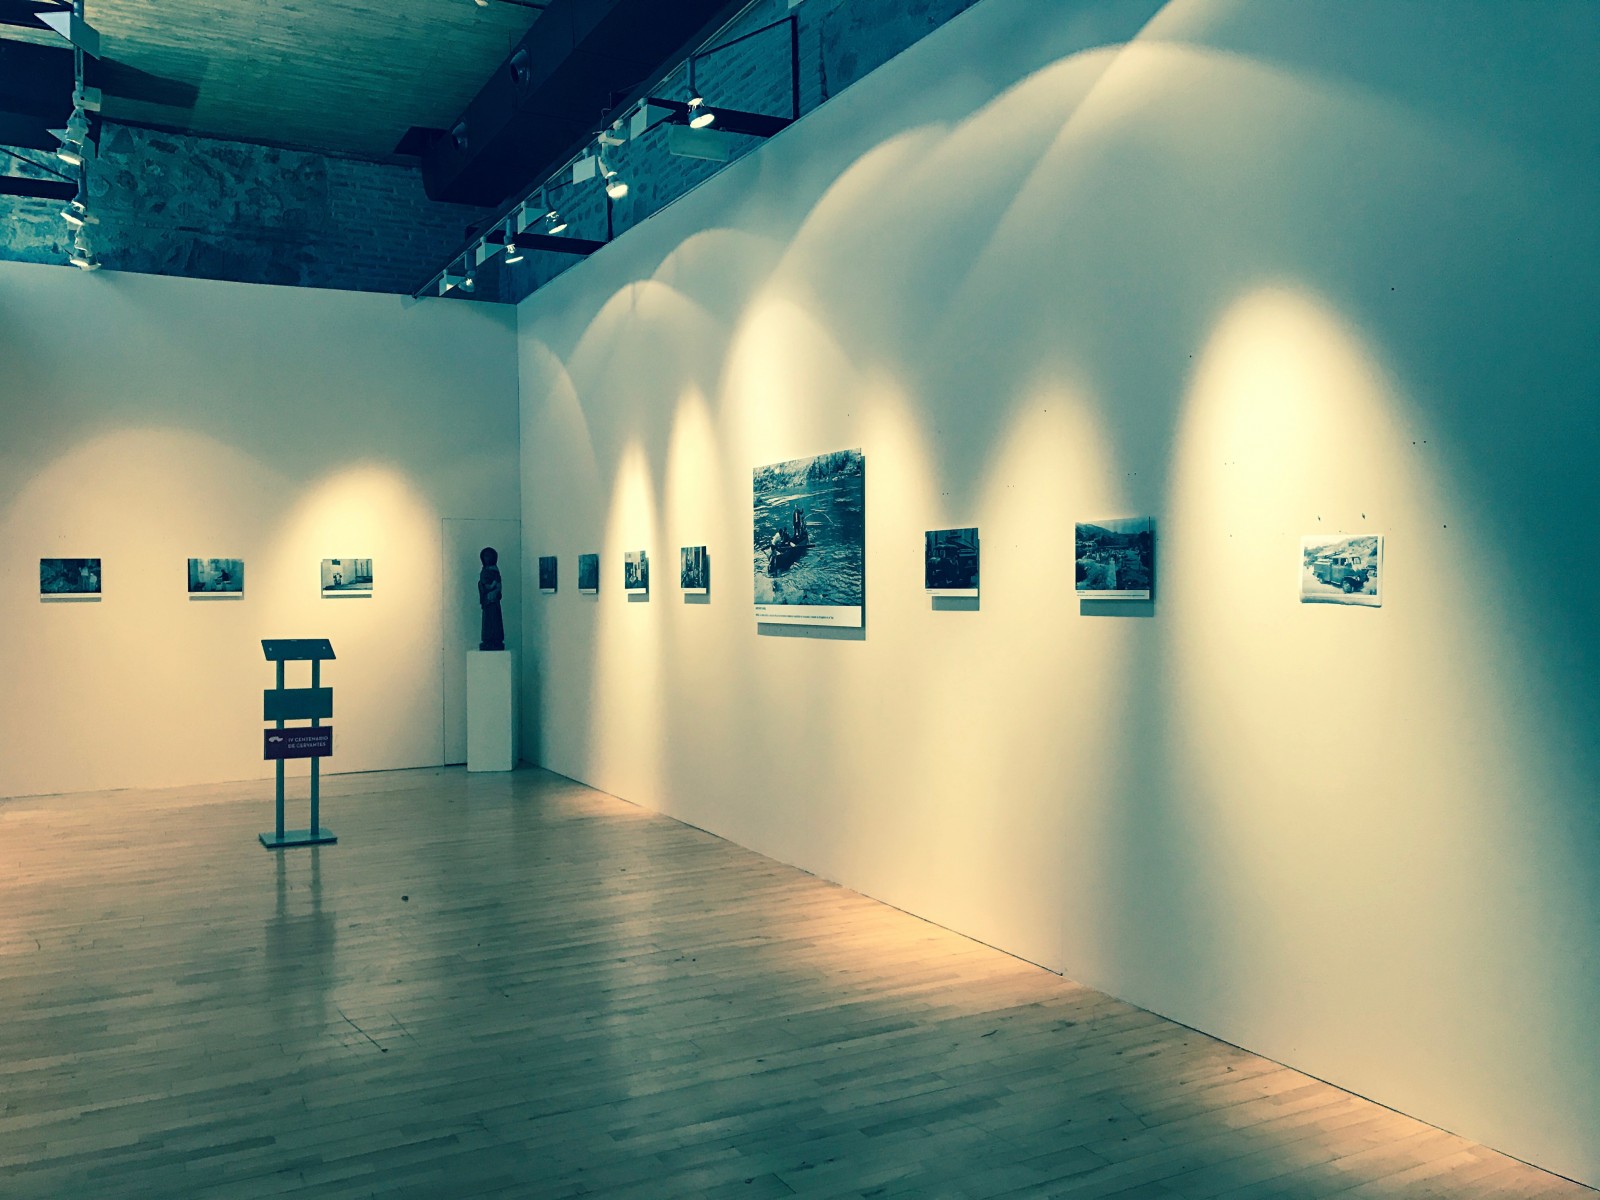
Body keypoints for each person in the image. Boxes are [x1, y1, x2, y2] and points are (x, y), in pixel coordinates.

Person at [478, 547, 505, 651]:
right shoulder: (484, 571)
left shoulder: (495, 570)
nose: (487, 558)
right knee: (487, 620)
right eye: (485, 556)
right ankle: (488, 638)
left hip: (493, 600)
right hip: (487, 600)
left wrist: (494, 589)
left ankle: (496, 638)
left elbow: (498, 584)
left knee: (495, 619)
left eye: (489, 556)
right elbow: (484, 584)